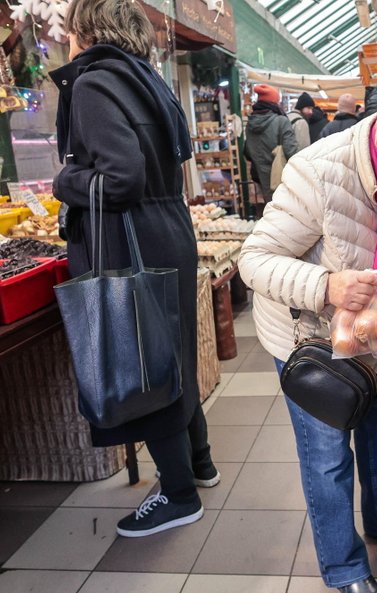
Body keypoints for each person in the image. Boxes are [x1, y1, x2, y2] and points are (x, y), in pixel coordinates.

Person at [238, 21, 377, 593]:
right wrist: (326, 285)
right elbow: (254, 260)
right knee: (327, 456)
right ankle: (343, 570)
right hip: (310, 339)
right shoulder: (316, 172)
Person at [50, 0, 218, 537]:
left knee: (144, 362)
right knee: (173, 352)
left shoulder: (94, 84)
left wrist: (64, 182)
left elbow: (119, 178)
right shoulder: (149, 78)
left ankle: (177, 494)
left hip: (130, 239)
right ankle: (200, 461)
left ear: (84, 31)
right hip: (169, 229)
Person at [243, 84, 299, 212]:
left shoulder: (250, 124)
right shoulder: (281, 121)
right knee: (285, 212)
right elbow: (292, 152)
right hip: (281, 178)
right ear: (275, 103)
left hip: (260, 177)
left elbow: (247, 152)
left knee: (270, 212)